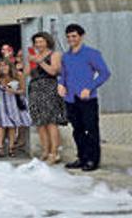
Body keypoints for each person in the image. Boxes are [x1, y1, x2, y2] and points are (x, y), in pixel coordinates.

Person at [58, 24, 111, 172]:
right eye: (68, 36)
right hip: (71, 99)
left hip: (87, 99)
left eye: (74, 36)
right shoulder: (66, 56)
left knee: (91, 130)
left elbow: (105, 73)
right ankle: (82, 158)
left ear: (81, 36)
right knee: (77, 130)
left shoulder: (92, 53)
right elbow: (63, 74)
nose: (71, 39)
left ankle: (93, 160)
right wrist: (61, 84)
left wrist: (90, 87)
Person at [24, 32, 66, 164]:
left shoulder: (55, 54)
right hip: (35, 89)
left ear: (47, 42)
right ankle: (45, 151)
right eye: (36, 42)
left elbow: (54, 71)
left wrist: (40, 61)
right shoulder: (34, 56)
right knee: (40, 123)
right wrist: (27, 62)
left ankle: (54, 152)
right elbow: (26, 74)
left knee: (50, 122)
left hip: (49, 87)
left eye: (41, 41)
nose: (38, 45)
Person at [0, 60, 31, 158]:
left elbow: (23, 91)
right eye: (1, 65)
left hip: (14, 103)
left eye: (5, 65)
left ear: (10, 66)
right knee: (2, 125)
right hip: (1, 103)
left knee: (12, 125)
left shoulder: (18, 75)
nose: (3, 67)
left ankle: (11, 147)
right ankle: (0, 147)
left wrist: (13, 91)